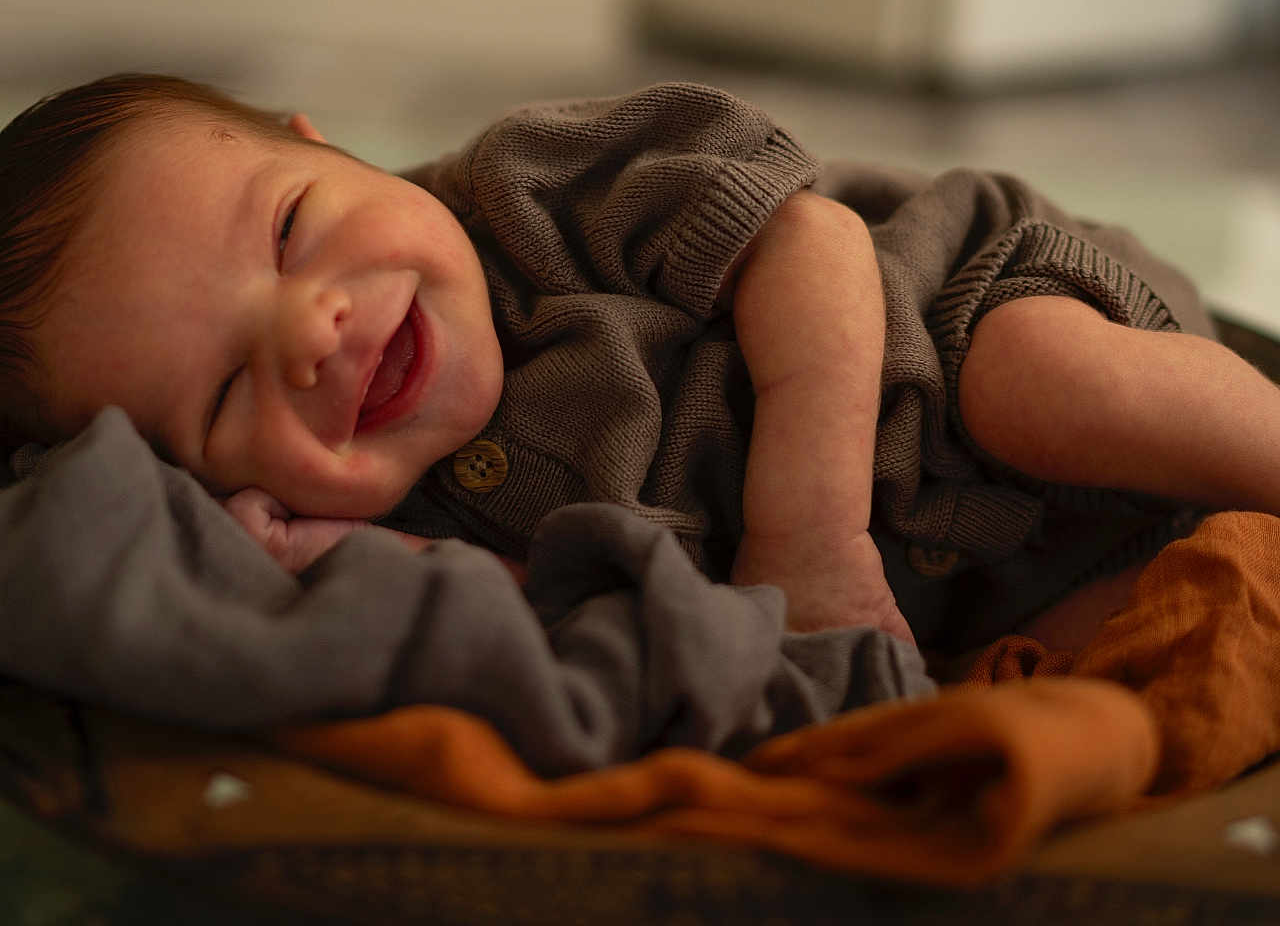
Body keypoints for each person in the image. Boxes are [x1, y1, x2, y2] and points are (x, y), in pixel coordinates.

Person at [2, 73, 1278, 659]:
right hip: (988, 583)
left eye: (289, 230)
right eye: (227, 392)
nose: (309, 331)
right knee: (1085, 672)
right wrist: (354, 570)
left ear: (324, 144)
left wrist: (807, 532)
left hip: (956, 313)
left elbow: (813, 243)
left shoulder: (530, 187)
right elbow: (552, 613)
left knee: (1034, 380)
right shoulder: (377, 512)